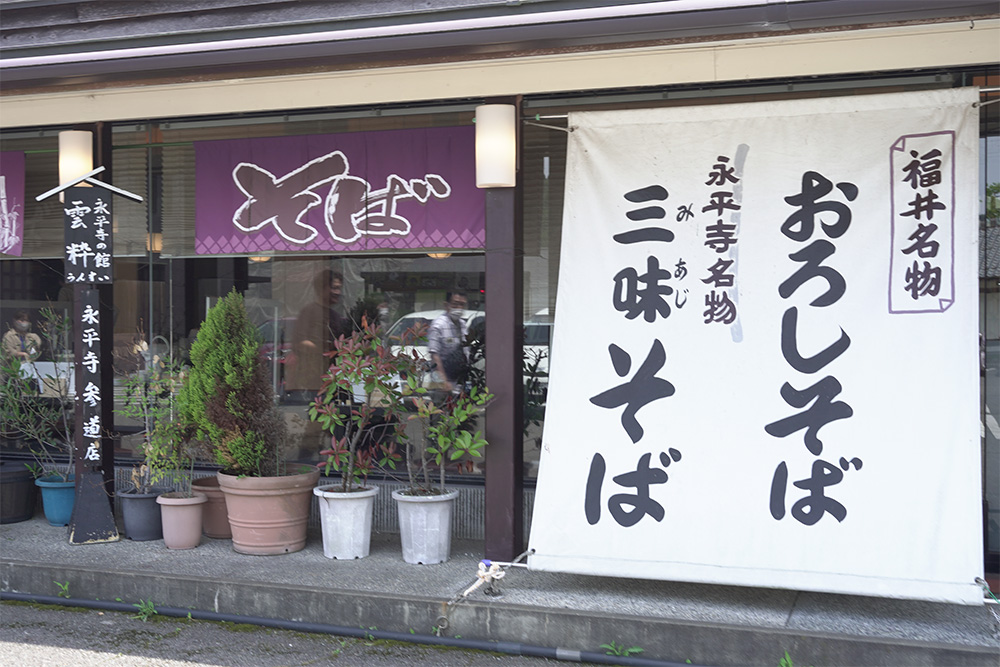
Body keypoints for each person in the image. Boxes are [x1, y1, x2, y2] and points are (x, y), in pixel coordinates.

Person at [287, 269, 349, 400]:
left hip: (334, 379)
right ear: (322, 288)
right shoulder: (309, 312)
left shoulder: (335, 316)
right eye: (334, 288)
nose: (338, 292)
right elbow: (299, 342)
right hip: (312, 382)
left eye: (339, 288)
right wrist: (324, 349)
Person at [427, 290, 470, 395]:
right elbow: (434, 355)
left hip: (460, 379)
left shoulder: (462, 325)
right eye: (455, 304)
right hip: (443, 381)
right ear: (446, 305)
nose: (459, 308)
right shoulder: (438, 325)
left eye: (462, 304)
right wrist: (443, 381)